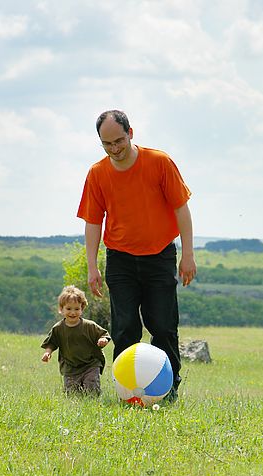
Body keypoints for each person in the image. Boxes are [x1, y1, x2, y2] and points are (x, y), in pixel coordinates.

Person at [76, 109, 196, 403]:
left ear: (130, 133)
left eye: (119, 141)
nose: (115, 149)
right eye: (107, 144)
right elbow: (93, 223)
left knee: (163, 326)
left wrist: (188, 255)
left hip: (159, 256)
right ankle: (126, 391)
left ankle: (169, 390)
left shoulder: (160, 162)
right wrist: (92, 267)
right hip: (120, 260)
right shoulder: (97, 173)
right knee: (126, 328)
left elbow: (181, 209)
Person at [41, 285, 111, 395]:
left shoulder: (89, 326)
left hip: (90, 364)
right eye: (68, 309)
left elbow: (103, 334)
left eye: (77, 309)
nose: (73, 313)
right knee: (73, 395)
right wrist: (47, 353)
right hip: (70, 368)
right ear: (61, 309)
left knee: (91, 388)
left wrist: (103, 340)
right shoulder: (58, 328)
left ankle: (92, 404)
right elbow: (51, 343)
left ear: (82, 309)